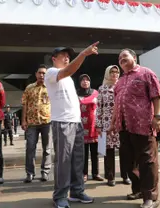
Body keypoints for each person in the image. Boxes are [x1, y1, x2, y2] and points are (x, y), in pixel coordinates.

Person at [44, 42, 99, 208]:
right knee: (64, 160)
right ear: (54, 59)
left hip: (76, 122)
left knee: (77, 159)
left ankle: (76, 191)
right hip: (62, 122)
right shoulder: (52, 72)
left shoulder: (67, 78)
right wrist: (83, 54)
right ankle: (60, 196)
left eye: (69, 55)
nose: (67, 58)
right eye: (63, 56)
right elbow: (68, 70)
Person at [109, 49, 160, 208]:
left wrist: (157, 117)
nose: (121, 59)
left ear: (134, 58)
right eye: (119, 58)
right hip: (124, 127)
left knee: (147, 162)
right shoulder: (120, 81)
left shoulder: (146, 73)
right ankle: (138, 189)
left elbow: (156, 96)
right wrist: (112, 123)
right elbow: (117, 104)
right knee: (129, 162)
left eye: (124, 56)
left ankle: (150, 197)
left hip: (142, 124)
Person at [96, 65, 131, 187]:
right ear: (107, 74)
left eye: (116, 72)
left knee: (125, 150)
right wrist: (98, 125)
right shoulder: (102, 89)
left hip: (121, 123)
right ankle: (110, 177)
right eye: (112, 72)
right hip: (106, 123)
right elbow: (98, 108)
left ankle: (125, 175)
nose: (114, 74)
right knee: (108, 151)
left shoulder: (123, 86)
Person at [21, 64, 51, 183]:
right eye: (40, 73)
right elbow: (24, 105)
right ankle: (30, 173)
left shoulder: (51, 87)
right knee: (30, 148)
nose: (42, 75)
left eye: (44, 73)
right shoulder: (29, 88)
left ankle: (45, 172)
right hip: (32, 123)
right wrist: (23, 120)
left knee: (47, 149)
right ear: (36, 74)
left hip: (47, 122)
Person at [77, 74, 103, 182]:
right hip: (81, 126)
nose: (85, 82)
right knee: (83, 153)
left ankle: (96, 173)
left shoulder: (96, 93)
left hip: (95, 126)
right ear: (79, 82)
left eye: (87, 80)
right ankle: (84, 174)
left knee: (95, 151)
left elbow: (100, 107)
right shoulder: (76, 94)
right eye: (82, 80)